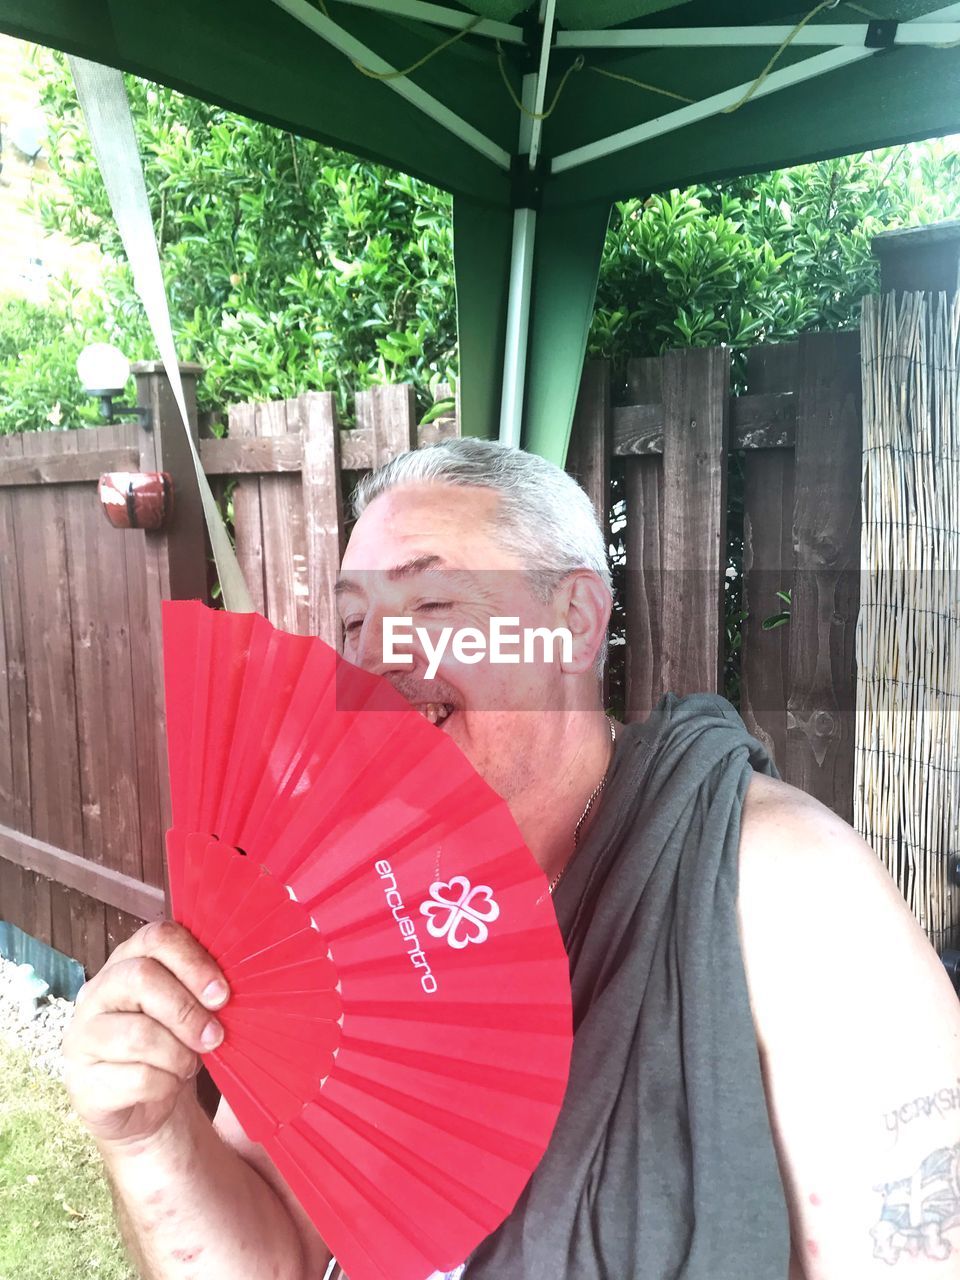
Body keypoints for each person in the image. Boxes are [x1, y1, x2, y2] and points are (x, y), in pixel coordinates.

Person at [63, 438, 960, 1280]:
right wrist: (148, 1139)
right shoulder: (343, 903)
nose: (371, 665)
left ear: (573, 622)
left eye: (434, 604)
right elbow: (275, 1255)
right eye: (354, 623)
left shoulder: (783, 889)